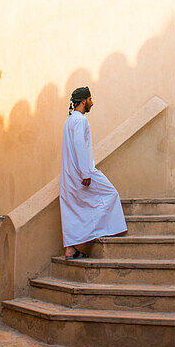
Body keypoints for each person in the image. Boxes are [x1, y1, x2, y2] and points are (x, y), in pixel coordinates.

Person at [59, 86, 127, 259]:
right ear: (83, 101)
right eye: (90, 100)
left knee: (73, 208)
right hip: (83, 172)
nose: (92, 103)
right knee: (110, 193)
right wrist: (85, 173)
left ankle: (70, 248)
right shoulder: (80, 120)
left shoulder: (69, 120)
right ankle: (107, 230)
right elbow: (80, 146)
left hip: (69, 175)